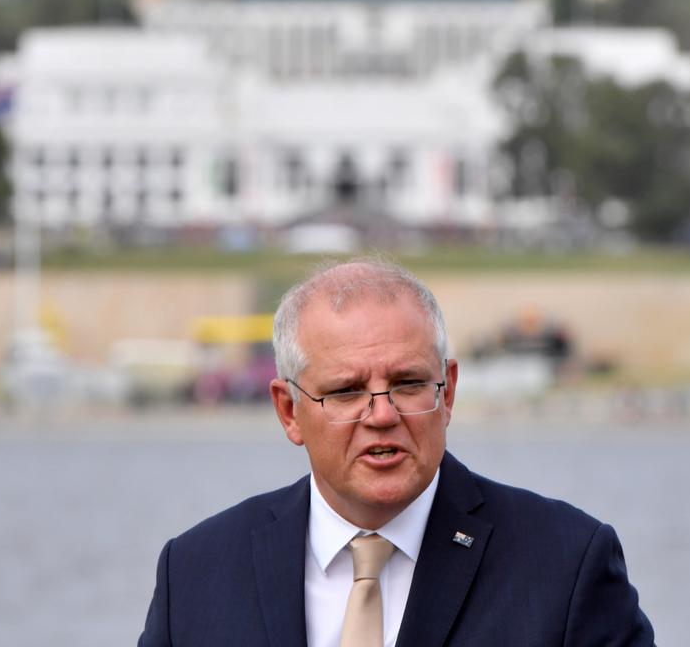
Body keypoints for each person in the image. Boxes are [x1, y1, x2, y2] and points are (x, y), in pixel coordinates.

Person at [138, 258, 654, 646]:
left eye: (407, 384)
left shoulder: (566, 564)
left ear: (447, 392)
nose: (381, 415)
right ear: (289, 411)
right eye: (345, 392)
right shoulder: (195, 573)